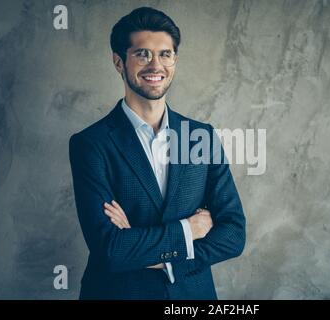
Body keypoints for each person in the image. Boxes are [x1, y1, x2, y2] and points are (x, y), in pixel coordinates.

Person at [68, 6, 246, 300]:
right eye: (142, 54)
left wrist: (157, 257)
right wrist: (189, 229)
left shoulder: (199, 136)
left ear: (175, 60)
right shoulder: (90, 144)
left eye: (165, 54)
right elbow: (111, 249)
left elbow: (233, 235)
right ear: (118, 62)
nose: (155, 65)